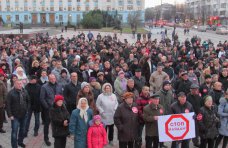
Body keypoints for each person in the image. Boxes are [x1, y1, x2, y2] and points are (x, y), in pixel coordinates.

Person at [40, 74, 63, 146]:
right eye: (51, 79)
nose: (53, 80)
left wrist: (62, 104)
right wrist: (47, 107)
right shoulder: (44, 87)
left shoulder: (59, 85)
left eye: (54, 78)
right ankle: (46, 139)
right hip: (49, 109)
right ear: (48, 79)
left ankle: (57, 137)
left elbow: (61, 96)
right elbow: (42, 98)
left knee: (57, 123)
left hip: (58, 108)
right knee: (47, 124)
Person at [6, 80, 30, 148]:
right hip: (15, 116)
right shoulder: (10, 93)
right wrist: (10, 115)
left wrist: (27, 109)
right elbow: (8, 105)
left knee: (22, 130)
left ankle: (20, 142)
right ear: (14, 84)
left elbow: (28, 101)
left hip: (24, 115)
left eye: (21, 84)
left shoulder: (24, 91)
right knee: (14, 132)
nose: (20, 85)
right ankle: (14, 146)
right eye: (18, 84)